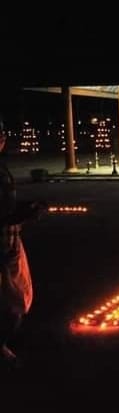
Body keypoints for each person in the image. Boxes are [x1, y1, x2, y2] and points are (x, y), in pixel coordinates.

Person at [1, 120, 42, 368]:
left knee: (15, 294)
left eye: (3, 132)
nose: (3, 137)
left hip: (10, 237)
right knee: (15, 299)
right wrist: (22, 215)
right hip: (4, 242)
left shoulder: (3, 167)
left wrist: (24, 210)